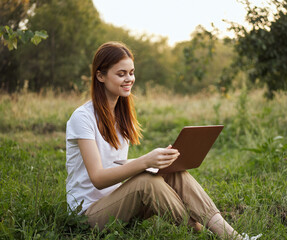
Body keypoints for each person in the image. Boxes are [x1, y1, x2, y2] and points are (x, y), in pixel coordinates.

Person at [65, 41, 248, 240]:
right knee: (145, 182)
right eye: (121, 74)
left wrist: (157, 162)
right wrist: (145, 162)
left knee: (175, 172)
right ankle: (200, 232)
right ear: (100, 76)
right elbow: (98, 178)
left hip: (118, 204)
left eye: (131, 72)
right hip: (87, 216)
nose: (129, 79)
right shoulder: (82, 118)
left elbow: (114, 165)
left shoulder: (121, 116)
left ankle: (232, 236)